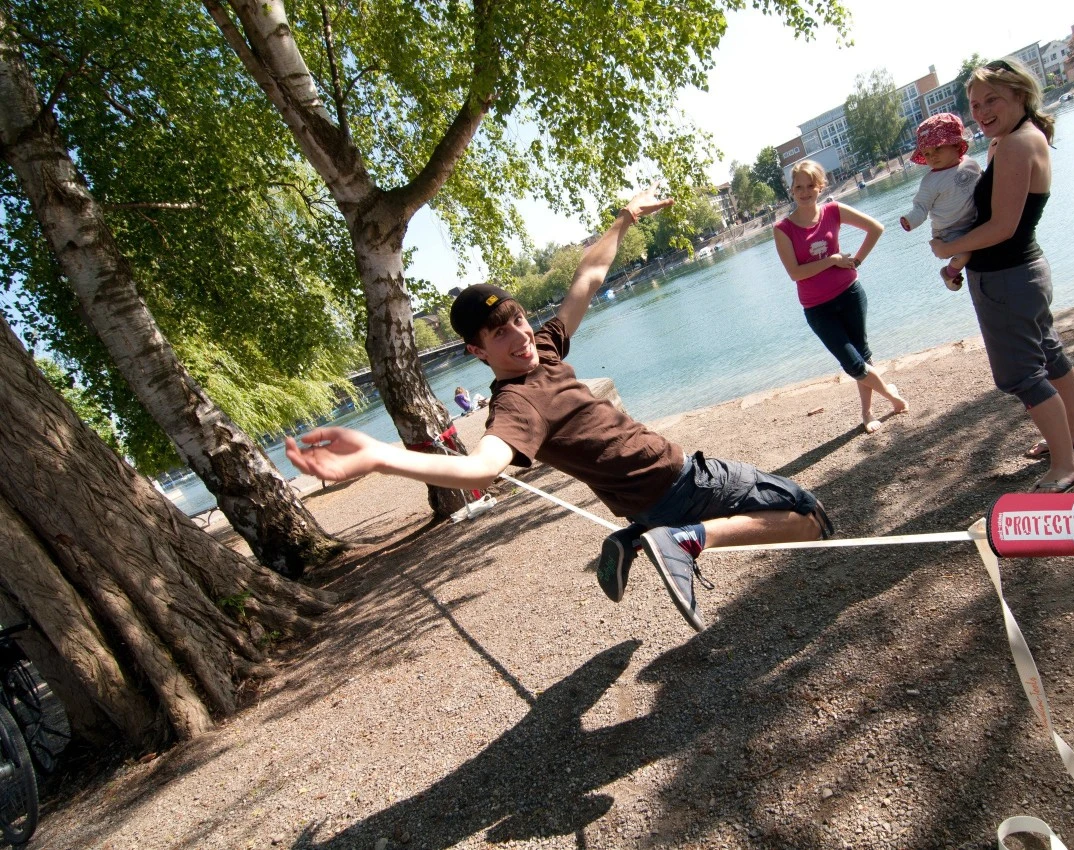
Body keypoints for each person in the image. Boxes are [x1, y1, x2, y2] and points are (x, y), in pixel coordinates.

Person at [286, 185, 833, 633]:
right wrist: (380, 455)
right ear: (477, 353)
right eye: (501, 335)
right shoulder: (517, 404)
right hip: (678, 482)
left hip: (645, 502)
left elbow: (588, 279)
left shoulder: (542, 348)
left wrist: (622, 219)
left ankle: (639, 538)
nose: (520, 337)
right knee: (809, 517)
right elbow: (479, 467)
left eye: (519, 320)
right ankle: (682, 540)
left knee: (775, 514)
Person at [929, 59, 1074, 493]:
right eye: (974, 104)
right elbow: (987, 218)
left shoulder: (1019, 143)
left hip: (1008, 279)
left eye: (992, 100)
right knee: (1049, 353)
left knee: (1020, 374)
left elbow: (1002, 227)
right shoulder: (1007, 141)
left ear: (1020, 95)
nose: (981, 111)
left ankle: (1066, 464)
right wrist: (959, 261)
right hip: (1019, 274)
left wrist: (945, 248)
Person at [773, 160, 908, 433]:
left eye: (810, 185)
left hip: (850, 294)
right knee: (853, 363)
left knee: (863, 355)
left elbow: (876, 228)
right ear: (791, 190)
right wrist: (833, 259)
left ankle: (867, 413)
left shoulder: (833, 211)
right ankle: (892, 395)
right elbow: (795, 273)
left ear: (820, 187)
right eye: (798, 186)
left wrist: (856, 261)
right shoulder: (782, 229)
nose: (804, 191)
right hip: (817, 308)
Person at [899, 112, 982, 290]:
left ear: (956, 144)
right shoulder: (930, 182)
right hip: (948, 230)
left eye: (938, 148)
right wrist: (910, 220)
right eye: (927, 153)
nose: (933, 156)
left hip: (971, 221)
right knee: (965, 252)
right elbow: (921, 207)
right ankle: (950, 274)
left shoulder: (970, 164)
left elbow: (983, 181)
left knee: (978, 244)